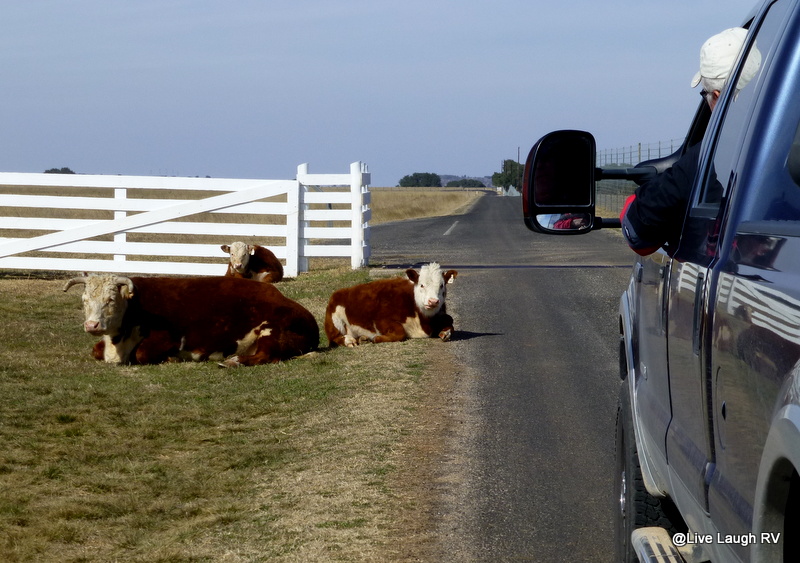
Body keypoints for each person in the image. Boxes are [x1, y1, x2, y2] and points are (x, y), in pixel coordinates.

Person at [620, 27, 761, 255]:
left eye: (705, 95)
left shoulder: (711, 156)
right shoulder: (783, 142)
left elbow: (638, 233)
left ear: (717, 97)